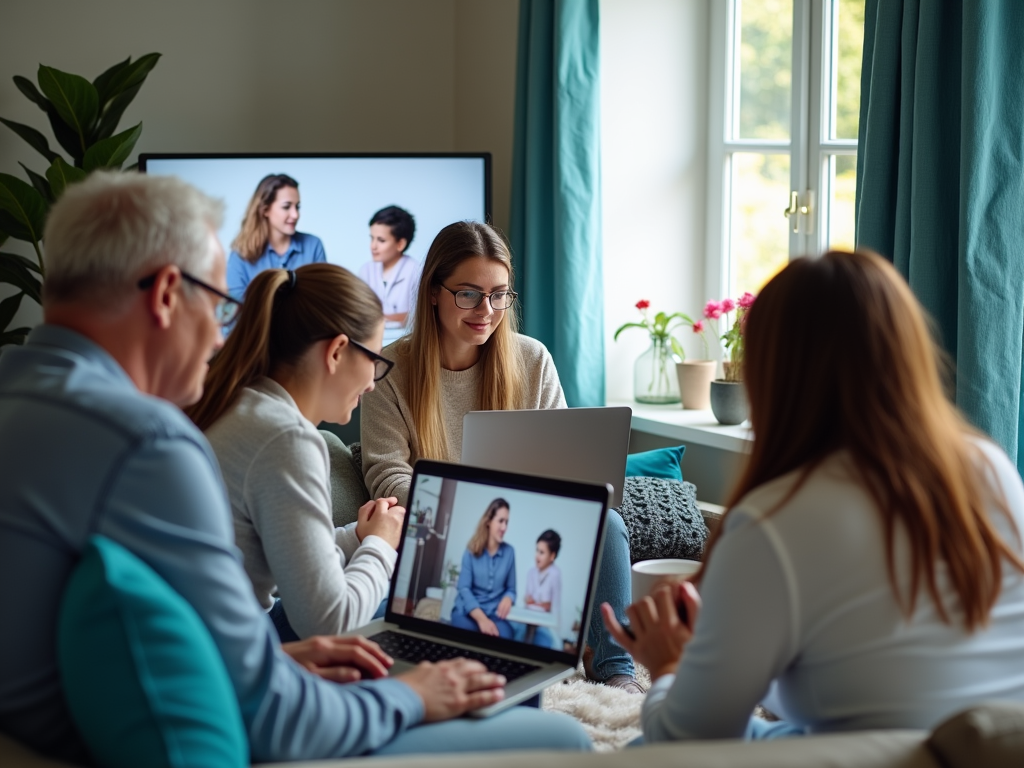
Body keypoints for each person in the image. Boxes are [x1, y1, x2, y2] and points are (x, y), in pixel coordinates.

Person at [0, 172, 590, 764]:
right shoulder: (151, 445)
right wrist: (410, 696)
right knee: (567, 739)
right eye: (214, 304)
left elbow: (188, 644)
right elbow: (275, 713)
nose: (215, 335)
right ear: (165, 296)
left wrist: (269, 656)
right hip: (194, 736)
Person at [602, 250, 1024, 742]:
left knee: (640, 746)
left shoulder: (775, 520)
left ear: (772, 370)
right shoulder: (988, 465)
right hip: (999, 743)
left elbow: (691, 738)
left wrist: (671, 663)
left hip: (878, 757)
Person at [360, 220, 643, 692]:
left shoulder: (532, 359)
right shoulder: (390, 370)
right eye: (469, 294)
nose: (486, 310)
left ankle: (618, 669)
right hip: (441, 524)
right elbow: (385, 471)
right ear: (433, 291)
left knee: (608, 523)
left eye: (499, 295)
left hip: (531, 515)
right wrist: (459, 503)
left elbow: (566, 457)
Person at [186, 263, 404, 641]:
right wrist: (381, 545)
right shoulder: (287, 439)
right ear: (337, 351)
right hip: (238, 646)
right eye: (375, 360)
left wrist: (357, 537)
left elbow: (285, 551)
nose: (372, 384)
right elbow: (329, 621)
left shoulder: (237, 403)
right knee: (413, 608)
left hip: (202, 635)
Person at [227, 173, 326, 298]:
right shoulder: (240, 254)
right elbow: (235, 308)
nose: (295, 215)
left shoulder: (313, 246)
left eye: (297, 206)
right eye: (286, 207)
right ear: (265, 210)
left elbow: (321, 300)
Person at [451, 499, 517, 638]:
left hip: (494, 615)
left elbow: (511, 589)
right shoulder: (470, 551)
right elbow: (464, 588)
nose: (504, 527)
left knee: (506, 636)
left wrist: (508, 598)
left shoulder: (509, 552)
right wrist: (482, 620)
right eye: (501, 521)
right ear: (488, 521)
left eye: (507, 522)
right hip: (468, 612)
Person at [359, 205, 422, 343]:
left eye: (381, 240)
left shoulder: (416, 271)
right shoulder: (366, 270)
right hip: (372, 342)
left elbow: (418, 317)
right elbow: (359, 313)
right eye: (372, 238)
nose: (373, 246)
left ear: (400, 244)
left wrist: (380, 318)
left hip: (405, 343)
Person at [522, 530, 563, 649]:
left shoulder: (555, 574)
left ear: (552, 556)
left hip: (545, 624)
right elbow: (528, 602)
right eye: (537, 551)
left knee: (543, 642)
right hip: (528, 621)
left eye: (542, 552)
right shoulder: (531, 573)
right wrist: (542, 604)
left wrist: (537, 603)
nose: (537, 556)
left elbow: (553, 607)